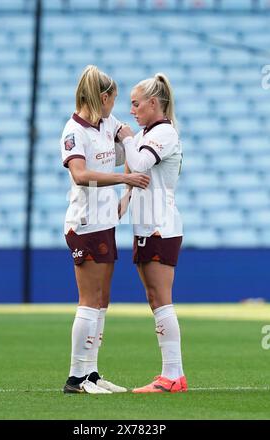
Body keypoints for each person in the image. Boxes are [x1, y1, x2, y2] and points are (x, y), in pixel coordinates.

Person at [60, 65, 150, 394]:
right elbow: (81, 175)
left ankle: (92, 374)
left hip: (106, 222)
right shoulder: (74, 131)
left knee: (102, 300)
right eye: (113, 98)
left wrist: (130, 137)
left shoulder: (106, 123)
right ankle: (75, 378)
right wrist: (126, 178)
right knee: (88, 299)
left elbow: (126, 136)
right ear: (103, 97)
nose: (117, 106)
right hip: (84, 224)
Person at [117, 73, 187, 393]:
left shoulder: (165, 133)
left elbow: (141, 162)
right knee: (154, 298)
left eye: (135, 103)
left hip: (161, 225)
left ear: (153, 103)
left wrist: (127, 138)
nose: (131, 109)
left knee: (161, 299)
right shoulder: (148, 131)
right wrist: (126, 197)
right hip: (145, 224)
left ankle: (173, 375)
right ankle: (170, 375)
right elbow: (133, 168)